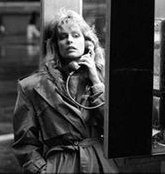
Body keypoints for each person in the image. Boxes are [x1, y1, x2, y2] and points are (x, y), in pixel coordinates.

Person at [12, 9, 118, 173]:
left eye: (76, 35)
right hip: (61, 164)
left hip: (99, 163)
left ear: (87, 43)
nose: (69, 40)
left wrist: (96, 80)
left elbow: (115, 127)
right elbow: (25, 143)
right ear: (55, 45)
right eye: (63, 37)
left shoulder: (104, 80)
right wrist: (41, 170)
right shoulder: (32, 86)